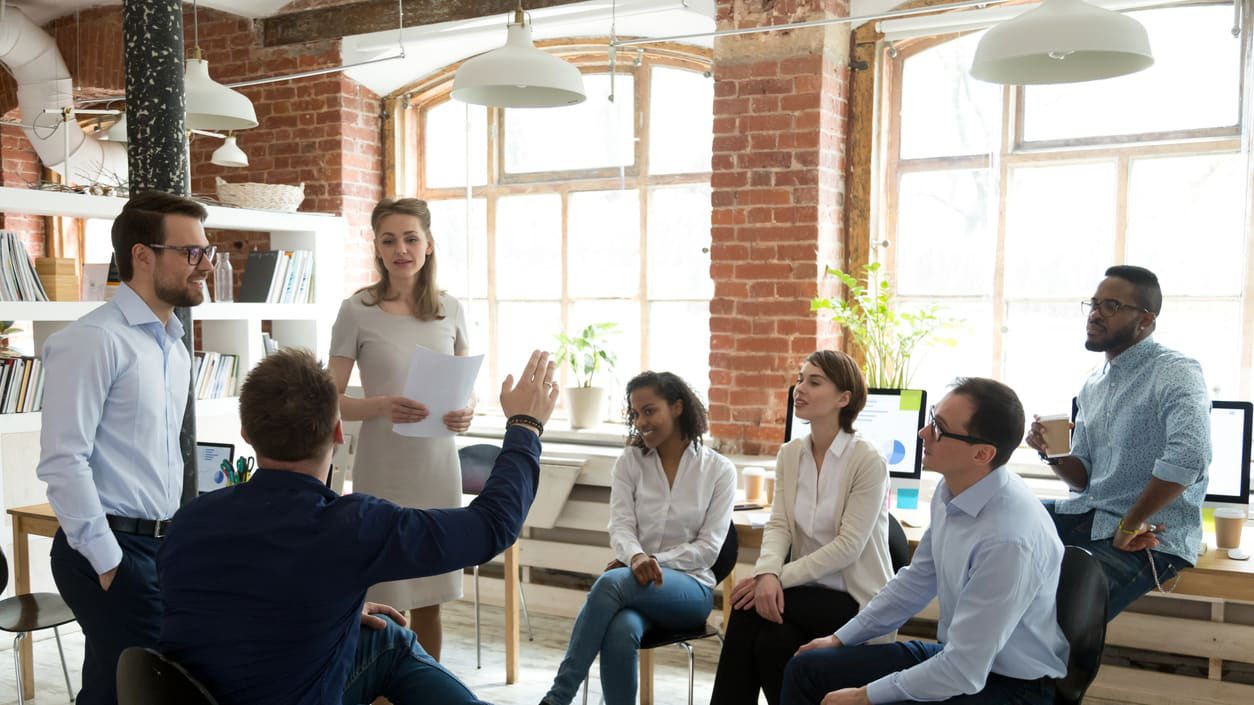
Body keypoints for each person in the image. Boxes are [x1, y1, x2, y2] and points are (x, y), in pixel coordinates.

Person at [158, 348, 559, 705]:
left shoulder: (189, 520)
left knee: (381, 635)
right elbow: (492, 526)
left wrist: (334, 606)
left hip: (207, 694)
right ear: (337, 432)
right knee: (392, 642)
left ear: (246, 435)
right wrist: (525, 426)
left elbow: (235, 608)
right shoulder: (348, 528)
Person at [781, 378, 1069, 705]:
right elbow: (916, 582)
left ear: (982, 454)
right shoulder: (954, 490)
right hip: (958, 658)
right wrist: (840, 638)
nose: (923, 434)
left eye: (940, 429)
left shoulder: (1009, 540)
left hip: (1009, 685)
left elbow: (964, 671)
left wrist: (864, 696)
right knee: (807, 668)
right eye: (932, 419)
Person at [36, 191, 214, 705]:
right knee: (139, 689)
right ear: (143, 256)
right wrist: (109, 562)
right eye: (191, 253)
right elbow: (63, 461)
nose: (203, 265)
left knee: (118, 688)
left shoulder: (174, 345)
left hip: (160, 545)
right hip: (108, 547)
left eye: (207, 251)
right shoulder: (92, 340)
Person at [328, 197, 475, 659]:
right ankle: (381, 689)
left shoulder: (450, 309)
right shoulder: (356, 310)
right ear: (377, 247)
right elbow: (328, 400)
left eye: (411, 238)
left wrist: (467, 411)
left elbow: (467, 387)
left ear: (429, 244)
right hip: (382, 470)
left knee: (431, 597)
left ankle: (424, 689)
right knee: (385, 596)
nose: (401, 249)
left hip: (437, 467)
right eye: (389, 240)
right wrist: (380, 405)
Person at [540, 372, 736, 705]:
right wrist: (635, 558)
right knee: (620, 631)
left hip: (691, 590)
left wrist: (650, 561)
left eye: (649, 411)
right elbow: (620, 526)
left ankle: (558, 698)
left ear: (676, 407)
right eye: (635, 414)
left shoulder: (719, 470)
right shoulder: (630, 462)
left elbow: (708, 550)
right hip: (636, 581)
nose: (641, 421)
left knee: (610, 583)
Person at [1026, 265, 1211, 620]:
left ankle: (1035, 674)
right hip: (1089, 514)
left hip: (1149, 534)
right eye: (1094, 304)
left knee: (1053, 616)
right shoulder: (1092, 384)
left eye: (1110, 306)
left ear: (1145, 320)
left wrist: (1130, 523)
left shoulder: (1176, 371)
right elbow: (1083, 479)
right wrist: (1052, 453)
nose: (1095, 314)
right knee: (997, 531)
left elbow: (1190, 456)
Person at [710, 350, 893, 705]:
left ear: (844, 398)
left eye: (814, 381)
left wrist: (776, 578)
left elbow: (848, 547)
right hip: (804, 593)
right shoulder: (790, 454)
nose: (800, 388)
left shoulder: (867, 460)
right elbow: (779, 525)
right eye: (799, 379)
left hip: (855, 600)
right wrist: (766, 572)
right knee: (770, 643)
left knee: (746, 611)